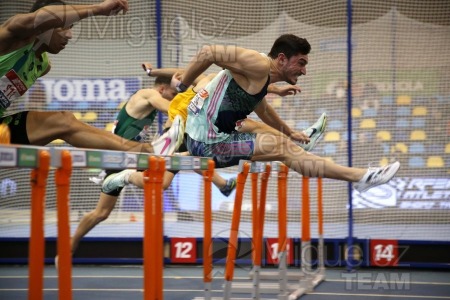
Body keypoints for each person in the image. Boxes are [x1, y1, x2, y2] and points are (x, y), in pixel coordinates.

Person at [162, 34, 400, 193]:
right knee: (282, 149)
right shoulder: (259, 64)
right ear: (282, 59)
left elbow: (262, 108)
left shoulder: (262, 79)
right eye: (301, 63)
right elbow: (208, 52)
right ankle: (360, 178)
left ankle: (350, 173)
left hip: (208, 138)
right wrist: (183, 85)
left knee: (273, 138)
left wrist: (289, 131)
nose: (304, 71)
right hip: (207, 143)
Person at [69, 75, 238, 256]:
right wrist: (198, 103)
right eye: (172, 93)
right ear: (162, 89)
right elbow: (173, 108)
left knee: (102, 213)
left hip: (135, 155)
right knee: (166, 169)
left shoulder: (147, 106)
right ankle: (127, 177)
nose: (174, 97)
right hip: (123, 157)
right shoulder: (147, 94)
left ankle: (70, 246)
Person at [0, 0, 180, 154]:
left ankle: (147, 150)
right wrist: (98, 9)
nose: (69, 35)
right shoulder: (14, 36)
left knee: (63, 120)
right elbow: (39, 19)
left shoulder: (43, 66)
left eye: (71, 28)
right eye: (64, 27)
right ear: (44, 27)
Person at [144, 63, 327, 155]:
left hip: (196, 131)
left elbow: (250, 85)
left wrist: (277, 90)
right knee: (157, 172)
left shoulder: (211, 79)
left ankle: (297, 141)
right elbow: (179, 71)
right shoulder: (195, 87)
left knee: (248, 124)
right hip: (179, 129)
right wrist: (153, 72)